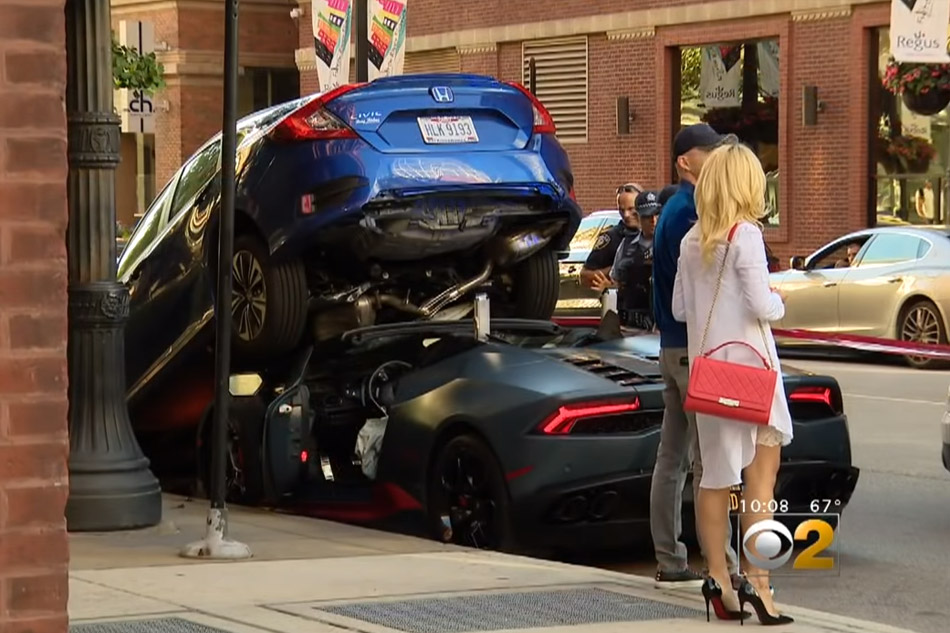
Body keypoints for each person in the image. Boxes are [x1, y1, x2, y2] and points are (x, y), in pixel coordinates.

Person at [672, 140, 793, 625]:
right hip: (753, 372)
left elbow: (682, 310)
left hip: (710, 376)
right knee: (760, 481)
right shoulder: (745, 236)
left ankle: (719, 583)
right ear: (746, 185)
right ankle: (759, 584)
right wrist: (779, 299)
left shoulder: (690, 240)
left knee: (715, 480)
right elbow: (764, 307)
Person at [649, 124, 739, 589]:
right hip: (691, 347)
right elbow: (706, 288)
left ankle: (670, 557)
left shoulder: (675, 209)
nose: (716, 158)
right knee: (709, 460)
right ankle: (720, 564)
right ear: (686, 161)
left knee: (673, 457)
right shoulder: (691, 212)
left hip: (673, 346)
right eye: (708, 152)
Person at [608, 190, 660, 329]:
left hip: (662, 325)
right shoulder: (626, 246)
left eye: (657, 215)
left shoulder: (669, 245)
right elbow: (616, 281)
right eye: (648, 216)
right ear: (639, 217)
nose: (653, 221)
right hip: (632, 325)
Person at [580, 183, 644, 292]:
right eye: (622, 210)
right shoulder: (611, 237)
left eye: (631, 209)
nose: (626, 215)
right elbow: (584, 276)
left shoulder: (655, 232)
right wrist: (613, 271)